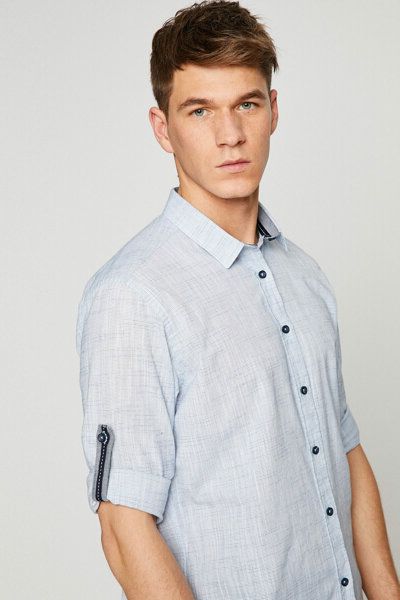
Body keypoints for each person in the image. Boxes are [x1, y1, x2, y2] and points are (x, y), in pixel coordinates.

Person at [76, 2, 400, 599]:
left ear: (273, 111)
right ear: (162, 127)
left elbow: (345, 451)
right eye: (199, 111)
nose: (229, 135)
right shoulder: (133, 295)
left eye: (246, 104)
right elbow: (124, 525)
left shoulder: (305, 278)